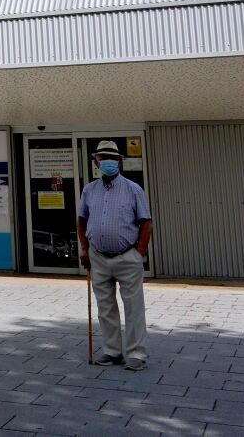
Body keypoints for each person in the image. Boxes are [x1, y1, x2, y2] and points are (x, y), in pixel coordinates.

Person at [77, 140, 153, 371]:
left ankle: (136, 353)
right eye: (103, 158)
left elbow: (146, 222)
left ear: (119, 161)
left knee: (133, 307)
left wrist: (139, 253)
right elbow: (81, 220)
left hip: (127, 256)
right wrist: (84, 249)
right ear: (96, 162)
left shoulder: (133, 189)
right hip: (98, 257)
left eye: (112, 157)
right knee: (105, 307)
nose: (107, 161)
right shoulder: (89, 190)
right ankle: (112, 351)